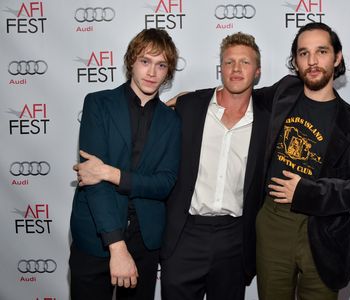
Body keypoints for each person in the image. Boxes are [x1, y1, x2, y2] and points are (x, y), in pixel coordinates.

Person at [255, 22, 350, 300]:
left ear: (337, 57)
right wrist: (195, 100)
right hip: (274, 223)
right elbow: (242, 95)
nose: (312, 61)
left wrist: (307, 192)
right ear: (295, 61)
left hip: (326, 231)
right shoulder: (284, 92)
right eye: (304, 53)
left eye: (321, 51)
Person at [69, 28, 181, 300]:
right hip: (97, 236)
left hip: (145, 241)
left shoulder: (172, 121)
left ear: (168, 72)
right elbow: (94, 183)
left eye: (161, 65)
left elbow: (164, 183)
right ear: (131, 61)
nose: (152, 72)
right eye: (145, 61)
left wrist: (112, 173)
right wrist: (117, 247)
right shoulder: (98, 104)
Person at [160, 32, 269, 300]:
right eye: (229, 62)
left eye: (245, 62)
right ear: (220, 68)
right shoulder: (190, 106)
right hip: (185, 234)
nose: (236, 69)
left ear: (257, 72)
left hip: (235, 239)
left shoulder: (268, 121)